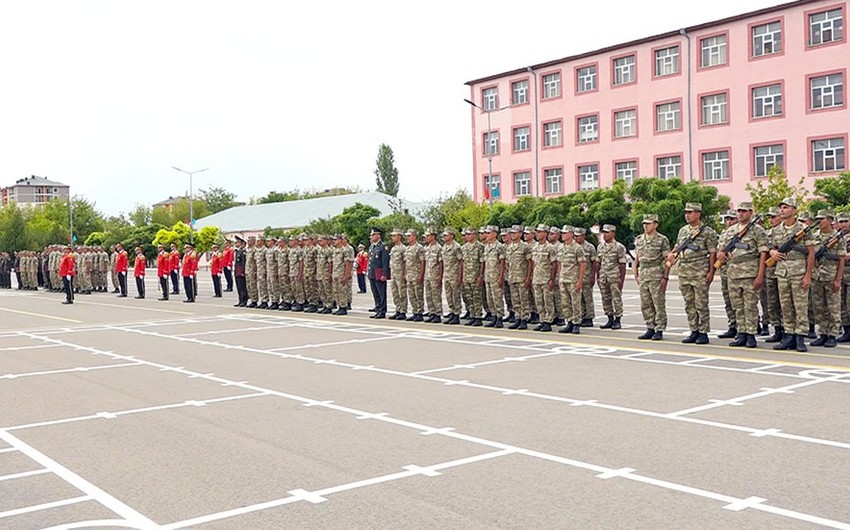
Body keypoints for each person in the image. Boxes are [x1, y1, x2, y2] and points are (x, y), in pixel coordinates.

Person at [716, 202, 768, 348]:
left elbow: (763, 252)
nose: (740, 214)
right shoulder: (730, 231)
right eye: (739, 211)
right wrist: (720, 254)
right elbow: (721, 248)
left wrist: (760, 275)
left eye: (744, 211)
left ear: (751, 213)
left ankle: (751, 334)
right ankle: (742, 333)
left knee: (750, 305)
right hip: (733, 273)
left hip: (750, 272)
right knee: (737, 306)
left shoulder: (757, 230)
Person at [768, 197, 814, 352]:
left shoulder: (803, 229)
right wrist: (773, 252)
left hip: (799, 272)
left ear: (794, 210)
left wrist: (808, 275)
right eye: (781, 207)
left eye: (786, 207)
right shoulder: (776, 230)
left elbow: (811, 254)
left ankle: (800, 336)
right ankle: (788, 336)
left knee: (800, 306)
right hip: (782, 273)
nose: (782, 210)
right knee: (785, 306)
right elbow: (771, 247)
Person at [669, 203, 717, 344]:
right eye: (686, 212)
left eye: (690, 212)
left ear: (698, 214)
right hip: (684, 271)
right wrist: (673, 254)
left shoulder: (707, 232)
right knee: (689, 303)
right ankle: (694, 330)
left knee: (701, 303)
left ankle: (703, 332)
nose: (687, 215)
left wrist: (711, 271)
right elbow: (678, 246)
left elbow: (712, 252)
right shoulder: (683, 231)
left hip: (700, 271)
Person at [809, 209, 845, 347]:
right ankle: (823, 333)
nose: (819, 222)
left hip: (831, 275)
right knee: (818, 306)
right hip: (817, 276)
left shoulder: (837, 237)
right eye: (817, 219)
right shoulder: (815, 236)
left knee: (833, 307)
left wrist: (838, 279)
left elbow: (841, 259)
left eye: (822, 219)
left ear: (830, 220)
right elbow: (811, 255)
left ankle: (833, 334)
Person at [634, 214, 670, 340]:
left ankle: (659, 329)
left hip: (656, 274)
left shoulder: (662, 240)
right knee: (645, 303)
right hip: (643, 274)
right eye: (644, 223)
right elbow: (637, 259)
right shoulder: (639, 239)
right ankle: (650, 327)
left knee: (658, 303)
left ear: (655, 224)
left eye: (648, 223)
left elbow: (667, 260)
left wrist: (665, 277)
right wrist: (636, 274)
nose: (645, 226)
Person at [556, 225, 586, 334]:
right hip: (563, 279)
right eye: (562, 233)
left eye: (565, 233)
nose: (563, 235)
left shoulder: (577, 248)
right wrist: (559, 276)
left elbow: (582, 264)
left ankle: (577, 323)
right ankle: (569, 322)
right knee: (565, 302)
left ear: (571, 234)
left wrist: (580, 281)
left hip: (573, 279)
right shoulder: (561, 247)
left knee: (575, 302)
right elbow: (560, 264)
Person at [597, 225, 627, 330]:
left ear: (613, 233)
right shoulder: (600, 247)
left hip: (614, 277)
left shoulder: (619, 247)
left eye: (607, 232)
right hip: (603, 276)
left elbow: (622, 265)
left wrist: (621, 280)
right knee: (605, 298)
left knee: (616, 299)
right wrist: (598, 277)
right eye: (603, 232)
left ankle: (617, 319)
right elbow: (598, 263)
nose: (604, 235)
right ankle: (609, 318)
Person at [763, 207, 785, 343]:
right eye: (769, 217)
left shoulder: (786, 232)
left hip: (784, 271)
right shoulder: (767, 234)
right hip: (770, 272)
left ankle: (786, 329)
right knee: (772, 302)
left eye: (773, 217)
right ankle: (777, 328)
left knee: (785, 302)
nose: (771, 220)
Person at [717, 210, 740, 339]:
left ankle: (746, 326)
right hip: (725, 271)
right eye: (727, 219)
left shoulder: (742, 233)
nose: (729, 222)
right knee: (728, 300)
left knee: (739, 301)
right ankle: (733, 325)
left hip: (738, 271)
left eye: (732, 219)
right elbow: (719, 249)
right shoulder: (724, 234)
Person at [531, 224, 558, 332]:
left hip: (546, 278)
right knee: (539, 301)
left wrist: (552, 279)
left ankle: (548, 321)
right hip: (537, 278)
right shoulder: (535, 247)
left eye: (540, 232)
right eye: (537, 232)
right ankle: (542, 320)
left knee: (548, 301)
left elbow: (554, 264)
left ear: (545, 233)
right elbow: (534, 263)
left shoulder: (550, 248)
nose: (537, 234)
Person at [482, 225, 506, 328]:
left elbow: (502, 263)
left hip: (496, 276)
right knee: (490, 298)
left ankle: (499, 317)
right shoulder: (487, 246)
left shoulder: (499, 246)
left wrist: (501, 277)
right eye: (486, 233)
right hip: (488, 276)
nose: (486, 235)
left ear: (494, 234)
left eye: (488, 233)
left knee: (497, 298)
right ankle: (494, 316)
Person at [460, 227, 484, 326]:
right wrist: (462, 276)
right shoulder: (464, 247)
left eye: (469, 234)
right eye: (466, 234)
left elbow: (482, 262)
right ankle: (472, 315)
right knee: (469, 298)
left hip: (475, 276)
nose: (467, 236)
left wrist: (481, 276)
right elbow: (462, 263)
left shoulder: (480, 247)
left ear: (475, 235)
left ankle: (478, 317)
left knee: (477, 297)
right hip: (466, 276)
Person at [441, 228, 464, 325]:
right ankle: (452, 312)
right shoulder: (444, 247)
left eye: (446, 235)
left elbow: (461, 262)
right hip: (447, 275)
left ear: (451, 236)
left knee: (455, 296)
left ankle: (456, 314)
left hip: (454, 275)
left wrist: (460, 276)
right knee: (449, 296)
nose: (444, 237)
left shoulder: (456, 247)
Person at [368, 227, 390, 319]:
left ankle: (382, 310)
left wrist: (384, 274)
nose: (371, 237)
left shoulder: (383, 246)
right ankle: (377, 308)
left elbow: (385, 261)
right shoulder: (372, 246)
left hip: (379, 273)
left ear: (378, 235)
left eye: (373, 235)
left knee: (381, 293)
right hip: (372, 273)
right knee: (375, 292)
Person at [404, 229, 425, 321]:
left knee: (418, 294)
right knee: (411, 295)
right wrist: (405, 273)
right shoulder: (407, 248)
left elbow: (422, 262)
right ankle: (415, 311)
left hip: (416, 274)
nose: (407, 238)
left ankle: (419, 312)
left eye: (409, 236)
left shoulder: (419, 248)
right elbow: (406, 262)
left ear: (414, 236)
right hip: (409, 275)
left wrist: (421, 275)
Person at [423, 228, 444, 323]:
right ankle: (432, 312)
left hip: (435, 276)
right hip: (427, 275)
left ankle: (438, 314)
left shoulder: (439, 248)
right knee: (428, 296)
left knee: (436, 296)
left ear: (433, 236)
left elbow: (441, 264)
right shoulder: (427, 248)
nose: (426, 238)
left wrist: (440, 277)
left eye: (428, 236)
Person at [332, 233, 355, 315]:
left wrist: (346, 275)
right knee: (336, 291)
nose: (334, 241)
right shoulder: (335, 251)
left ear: (341, 240)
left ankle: (343, 307)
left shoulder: (345, 250)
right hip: (335, 273)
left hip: (341, 273)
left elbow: (348, 263)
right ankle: (339, 306)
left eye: (336, 240)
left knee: (342, 291)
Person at [388, 229, 408, 320]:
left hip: (400, 274)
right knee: (395, 293)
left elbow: (405, 263)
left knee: (402, 293)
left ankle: (403, 311)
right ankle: (398, 309)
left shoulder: (403, 248)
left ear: (399, 236)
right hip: (393, 274)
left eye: (394, 236)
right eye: (392, 236)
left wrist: (405, 274)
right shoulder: (393, 248)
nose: (392, 237)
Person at [233, 236, 248, 307]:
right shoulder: (238, 251)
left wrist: (243, 271)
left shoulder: (244, 252)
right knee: (238, 287)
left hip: (241, 272)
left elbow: (243, 263)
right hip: (237, 272)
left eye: (237, 242)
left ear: (242, 243)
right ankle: (240, 300)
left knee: (242, 287)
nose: (235, 244)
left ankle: (244, 300)